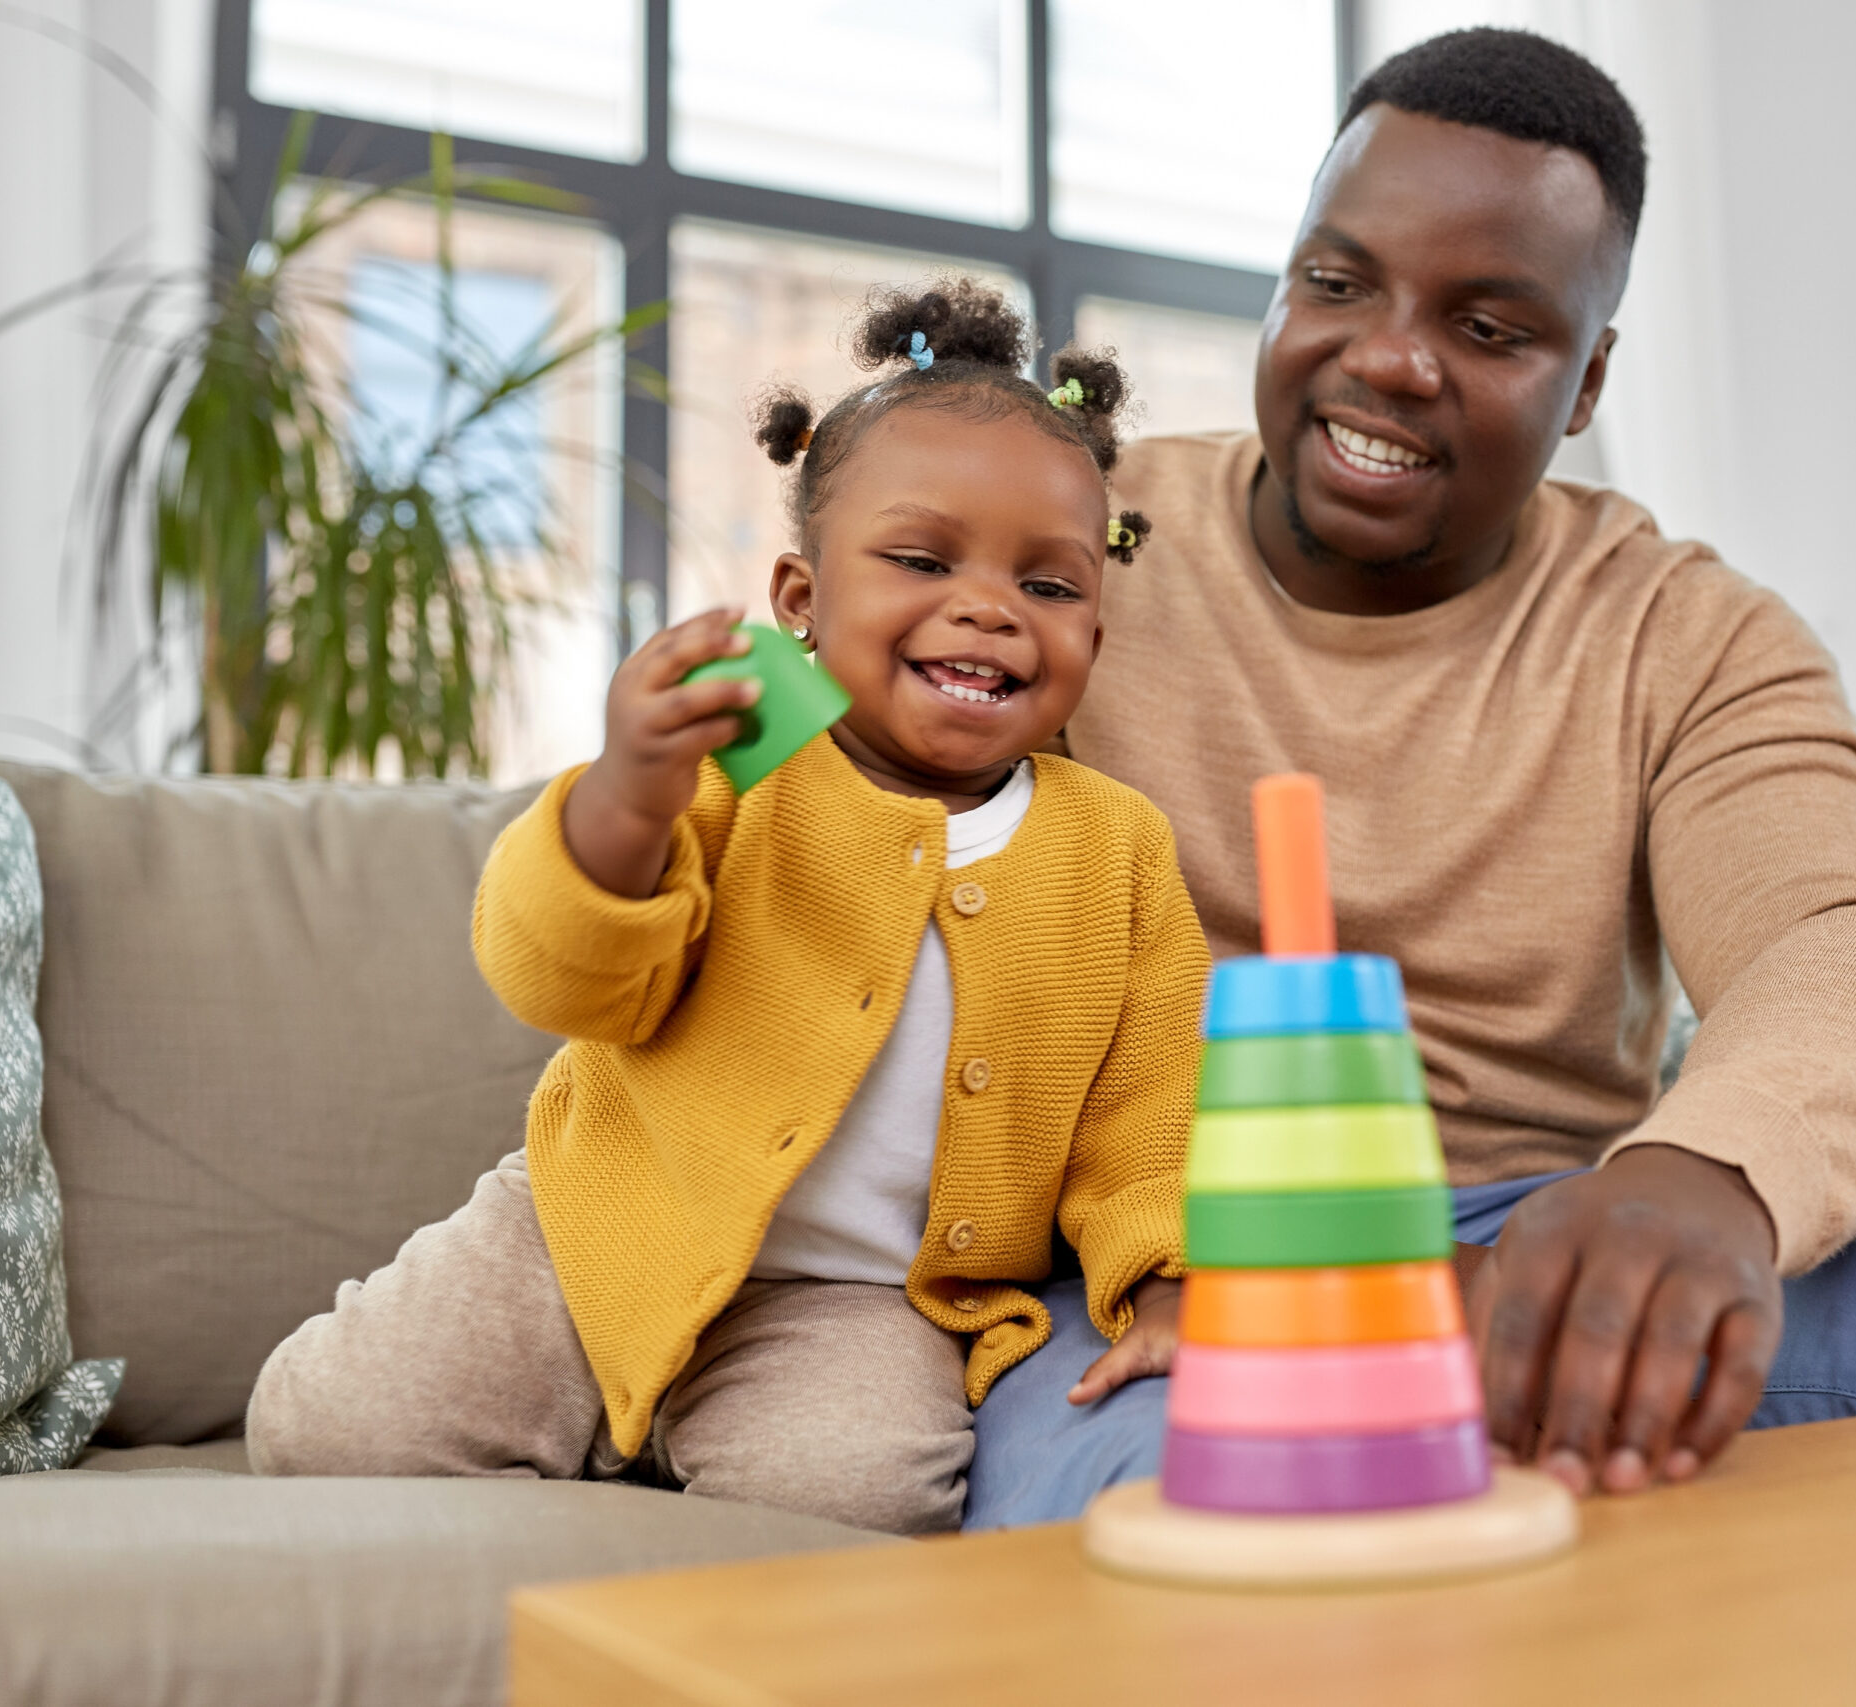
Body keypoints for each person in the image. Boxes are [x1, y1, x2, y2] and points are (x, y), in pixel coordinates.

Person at [961, 28, 1856, 1528]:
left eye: (1493, 326)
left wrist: (1702, 1173)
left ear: (1587, 384)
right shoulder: (1066, 541)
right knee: (1229, 1515)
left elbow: (1832, 943)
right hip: (1157, 1271)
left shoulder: (1681, 630)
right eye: (1337, 282)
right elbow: (810, 792)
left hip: (1544, 1250)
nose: (1387, 354)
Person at [247, 281, 1205, 1534]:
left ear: (1096, 617)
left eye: (1051, 585)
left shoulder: (1113, 843)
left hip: (852, 1300)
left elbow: (1152, 1112)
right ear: (800, 601)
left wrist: (1179, 1281)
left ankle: (667, 1447)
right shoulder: (745, 750)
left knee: (855, 1501)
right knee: (326, 1425)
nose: (989, 607)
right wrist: (630, 794)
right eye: (920, 561)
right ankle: (617, 1422)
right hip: (596, 1232)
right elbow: (567, 980)